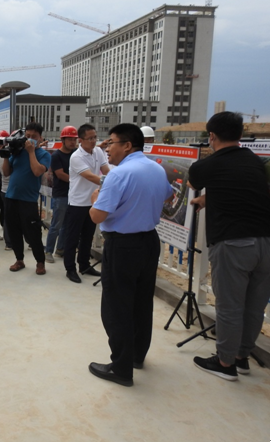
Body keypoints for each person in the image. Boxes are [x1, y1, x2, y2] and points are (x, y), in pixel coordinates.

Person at [87, 124, 172, 387]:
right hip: (149, 242)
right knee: (141, 302)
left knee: (117, 306)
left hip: (123, 245)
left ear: (127, 145)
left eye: (110, 142)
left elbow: (97, 216)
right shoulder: (156, 169)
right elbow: (167, 197)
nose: (106, 148)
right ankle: (136, 355)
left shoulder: (119, 174)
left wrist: (95, 199)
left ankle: (121, 368)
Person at [188, 112, 270, 381]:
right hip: (265, 242)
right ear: (240, 134)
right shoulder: (255, 162)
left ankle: (225, 363)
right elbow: (241, 189)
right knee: (254, 307)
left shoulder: (208, 165)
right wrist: (209, 199)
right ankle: (241, 357)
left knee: (230, 307)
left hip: (233, 244)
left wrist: (203, 197)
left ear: (211, 136)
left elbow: (193, 182)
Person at [2, 122, 51, 275]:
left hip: (28, 200)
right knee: (14, 231)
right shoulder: (18, 152)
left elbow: (37, 172)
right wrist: (6, 155)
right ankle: (19, 259)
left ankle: (40, 262)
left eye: (33, 136)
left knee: (33, 233)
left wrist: (31, 152)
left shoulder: (43, 155)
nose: (29, 139)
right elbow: (6, 172)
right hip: (11, 197)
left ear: (40, 137)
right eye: (27, 136)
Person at [63, 124, 110, 283]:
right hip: (77, 203)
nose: (93, 141)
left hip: (92, 202)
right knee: (72, 237)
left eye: (95, 137)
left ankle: (84, 265)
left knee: (88, 236)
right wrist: (113, 182)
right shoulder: (76, 157)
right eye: (90, 138)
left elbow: (106, 170)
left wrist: (113, 177)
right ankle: (70, 268)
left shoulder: (98, 152)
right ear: (80, 140)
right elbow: (90, 176)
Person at [45, 126, 78, 263]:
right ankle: (48, 251)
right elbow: (60, 174)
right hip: (61, 195)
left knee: (67, 224)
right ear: (63, 140)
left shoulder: (76, 153)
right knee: (56, 224)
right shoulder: (57, 156)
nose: (73, 142)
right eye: (70, 139)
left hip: (73, 194)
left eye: (74, 139)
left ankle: (60, 249)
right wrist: (78, 181)